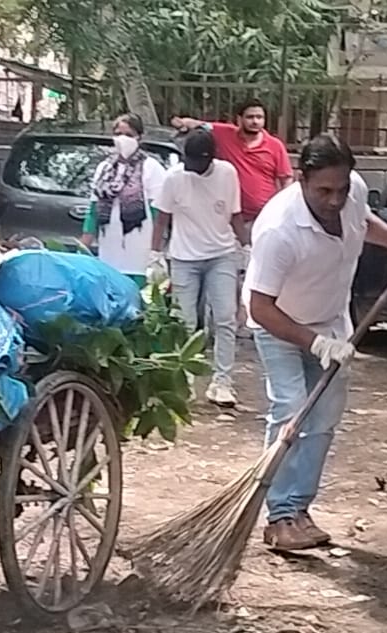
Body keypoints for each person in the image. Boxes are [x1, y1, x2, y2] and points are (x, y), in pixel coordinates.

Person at [245, 134, 387, 550]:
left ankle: (299, 507)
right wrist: (314, 343)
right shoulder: (278, 230)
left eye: (341, 188)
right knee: (290, 409)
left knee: (325, 418)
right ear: (301, 180)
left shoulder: (353, 196)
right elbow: (260, 307)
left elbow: (363, 221)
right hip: (280, 324)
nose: (334, 200)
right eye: (324, 191)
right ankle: (278, 515)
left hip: (331, 320)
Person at [172, 100, 294, 332]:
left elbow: (286, 179)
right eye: (250, 117)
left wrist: (285, 210)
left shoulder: (275, 146)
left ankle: (256, 320)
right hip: (230, 221)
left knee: (262, 273)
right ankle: (231, 321)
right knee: (232, 275)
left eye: (259, 117)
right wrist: (181, 123)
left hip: (266, 221)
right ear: (238, 119)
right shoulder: (224, 134)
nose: (255, 122)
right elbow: (200, 125)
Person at [152, 129, 246, 408]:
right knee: (185, 322)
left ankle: (222, 382)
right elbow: (161, 219)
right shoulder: (174, 178)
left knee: (226, 318)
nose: (191, 168)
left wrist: (248, 247)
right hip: (184, 258)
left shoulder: (227, 174)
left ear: (210, 159)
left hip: (222, 254)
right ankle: (186, 379)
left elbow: (236, 214)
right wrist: (155, 255)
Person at [82, 113, 167, 284]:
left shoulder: (151, 168)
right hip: (109, 252)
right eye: (118, 134)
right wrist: (84, 246)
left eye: (128, 135)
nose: (122, 139)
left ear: (139, 137)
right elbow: (94, 210)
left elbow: (159, 213)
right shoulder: (104, 169)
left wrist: (155, 252)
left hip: (140, 253)